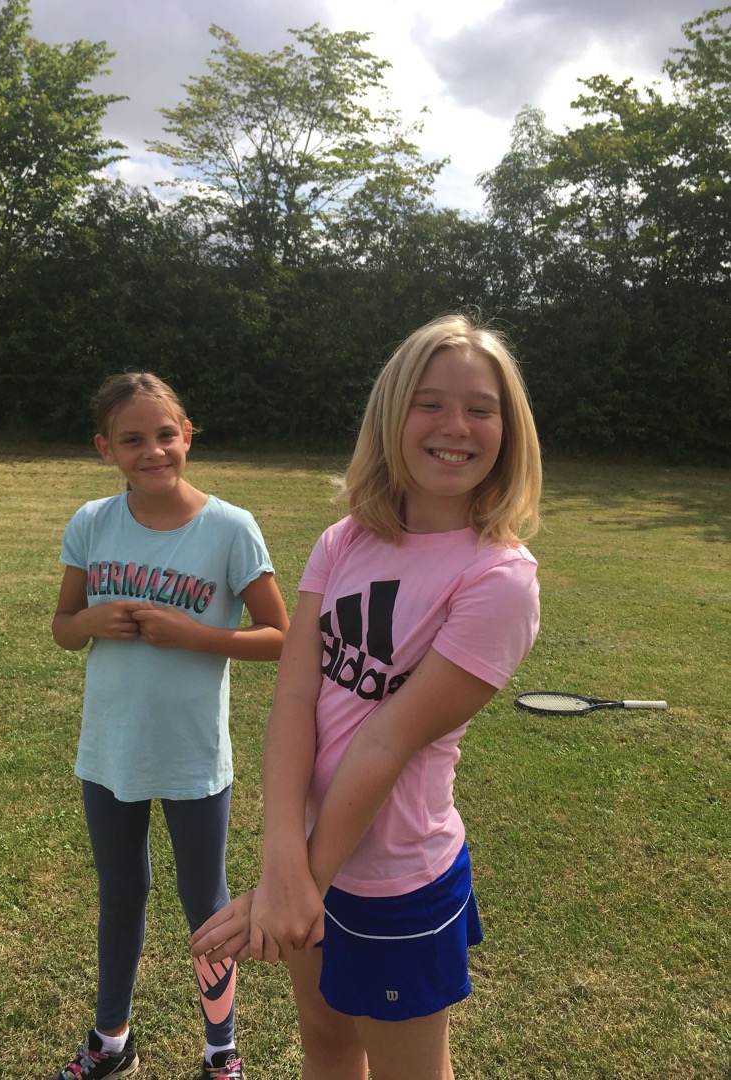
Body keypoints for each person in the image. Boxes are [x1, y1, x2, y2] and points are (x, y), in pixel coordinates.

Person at [191, 313, 543, 1080]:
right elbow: (295, 697)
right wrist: (284, 863)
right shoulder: (343, 539)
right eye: (429, 402)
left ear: (509, 429)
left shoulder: (499, 580)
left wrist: (296, 884)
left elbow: (388, 738)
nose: (456, 425)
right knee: (326, 1045)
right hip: (309, 856)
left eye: (481, 409)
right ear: (391, 415)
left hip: (396, 885)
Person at [49, 372, 289, 1080]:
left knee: (205, 903)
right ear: (106, 449)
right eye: (132, 440)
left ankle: (221, 1050)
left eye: (164, 435)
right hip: (110, 750)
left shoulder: (229, 528)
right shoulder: (92, 523)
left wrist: (196, 635)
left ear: (187, 436)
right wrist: (88, 621)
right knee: (120, 893)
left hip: (192, 754)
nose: (152, 451)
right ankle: (110, 1041)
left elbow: (280, 635)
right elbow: (63, 627)